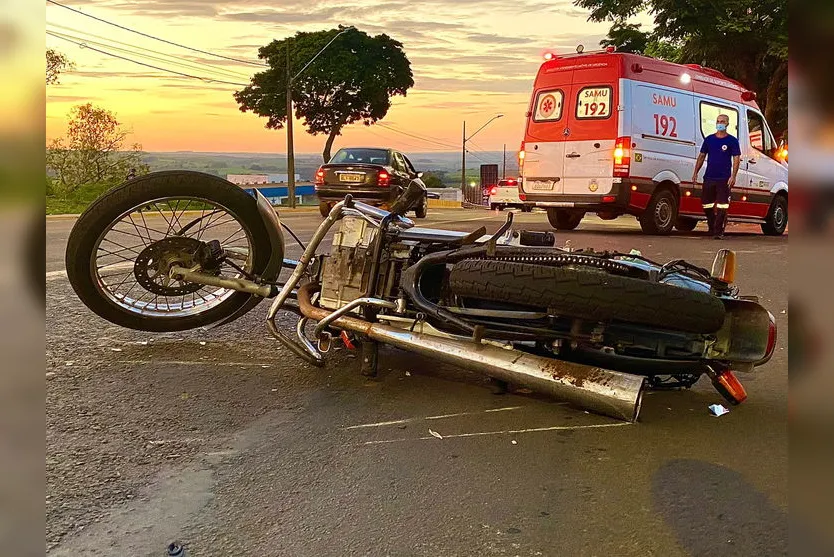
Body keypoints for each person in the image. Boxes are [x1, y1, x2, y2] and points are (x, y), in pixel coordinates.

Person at [692, 114, 741, 239]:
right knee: (706, 203)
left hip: (724, 179)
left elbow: (736, 159)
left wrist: (733, 176)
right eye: (718, 121)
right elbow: (702, 156)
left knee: (722, 205)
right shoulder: (709, 140)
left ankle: (718, 231)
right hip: (709, 177)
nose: (720, 123)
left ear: (727, 124)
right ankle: (712, 223)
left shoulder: (732, 141)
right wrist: (695, 172)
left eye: (723, 121)